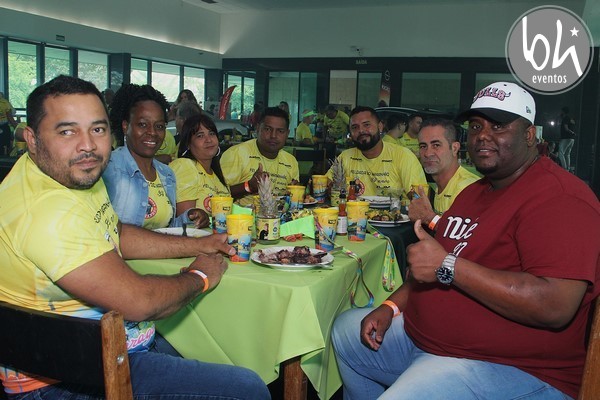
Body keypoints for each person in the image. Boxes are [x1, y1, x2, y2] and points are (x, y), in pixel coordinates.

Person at [0, 75, 270, 399]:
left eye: (97, 129)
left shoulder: (73, 175)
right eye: (67, 131)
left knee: (225, 340)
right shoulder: (47, 210)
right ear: (32, 139)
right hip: (64, 377)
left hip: (114, 343)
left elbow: (117, 233)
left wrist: (201, 242)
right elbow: (140, 302)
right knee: (248, 388)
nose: (88, 145)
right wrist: (200, 276)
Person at [331, 81, 600, 400]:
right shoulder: (475, 193)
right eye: (475, 126)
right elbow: (430, 267)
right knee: (345, 331)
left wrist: (448, 265)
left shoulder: (560, 198)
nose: (483, 135)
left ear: (529, 135)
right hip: (427, 341)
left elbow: (554, 305)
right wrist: (391, 306)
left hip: (506, 366)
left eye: (498, 125)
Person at [103, 83, 209, 229]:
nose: (152, 132)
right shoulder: (110, 168)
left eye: (159, 126)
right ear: (125, 126)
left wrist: (189, 218)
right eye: (142, 124)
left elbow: (166, 229)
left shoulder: (166, 174)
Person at [326, 106, 427, 197]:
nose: (361, 130)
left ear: (380, 127)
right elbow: (325, 184)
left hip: (395, 211)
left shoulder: (403, 156)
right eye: (355, 127)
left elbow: (419, 196)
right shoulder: (345, 157)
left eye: (366, 125)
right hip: (353, 211)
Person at [408, 118, 480, 229]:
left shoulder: (466, 188)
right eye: (423, 146)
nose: (428, 153)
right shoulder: (440, 186)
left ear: (455, 148)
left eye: (436, 145)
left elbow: (461, 235)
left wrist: (429, 218)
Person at [220, 106, 299, 206]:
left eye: (280, 131)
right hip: (241, 215)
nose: (273, 136)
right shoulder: (236, 154)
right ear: (257, 128)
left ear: (287, 134)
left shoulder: (290, 161)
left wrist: (294, 191)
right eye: (267, 129)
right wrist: (248, 186)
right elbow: (217, 194)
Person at [170, 113, 230, 214]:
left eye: (211, 133)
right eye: (200, 136)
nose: (208, 140)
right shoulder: (185, 166)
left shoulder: (216, 174)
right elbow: (186, 218)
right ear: (188, 144)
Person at [558, 106, 576, 171]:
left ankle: (564, 168)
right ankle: (568, 168)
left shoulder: (566, 118)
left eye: (561, 111)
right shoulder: (570, 118)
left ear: (563, 111)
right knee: (567, 154)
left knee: (560, 152)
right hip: (572, 139)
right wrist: (573, 133)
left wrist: (572, 132)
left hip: (566, 138)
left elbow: (566, 128)